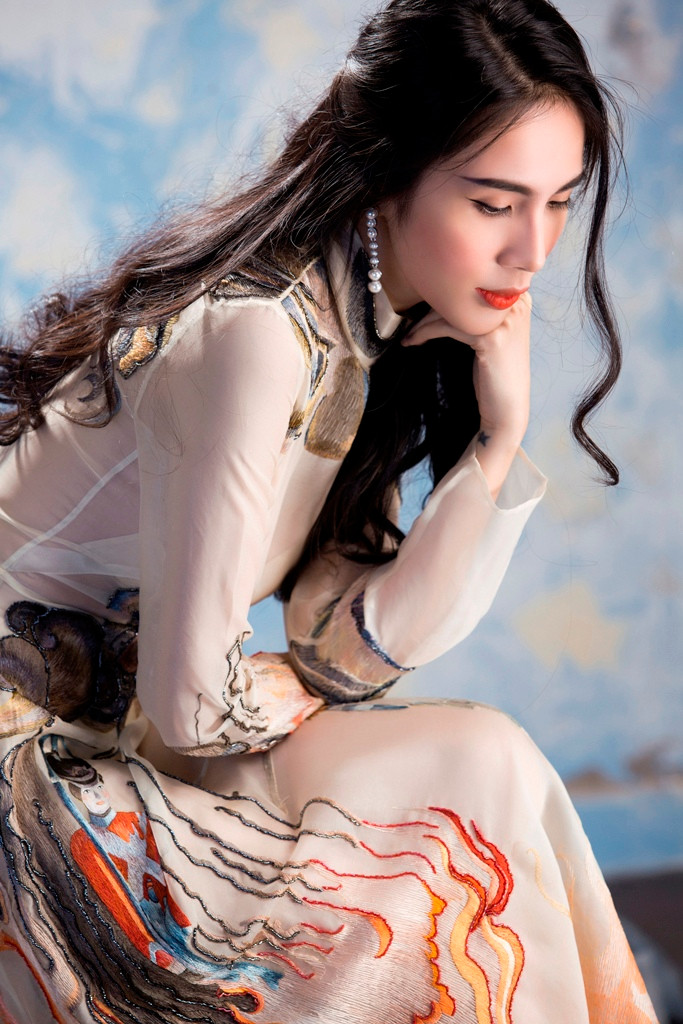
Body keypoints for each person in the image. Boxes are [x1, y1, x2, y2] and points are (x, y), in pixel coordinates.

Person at [0, 0, 658, 1021]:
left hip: (126, 743)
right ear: (388, 174)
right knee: (452, 817)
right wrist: (289, 686)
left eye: (558, 203)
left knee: (486, 761)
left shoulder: (368, 332)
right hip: (32, 767)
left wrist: (497, 442)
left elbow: (338, 651)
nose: (532, 250)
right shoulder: (254, 333)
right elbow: (196, 707)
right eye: (493, 204)